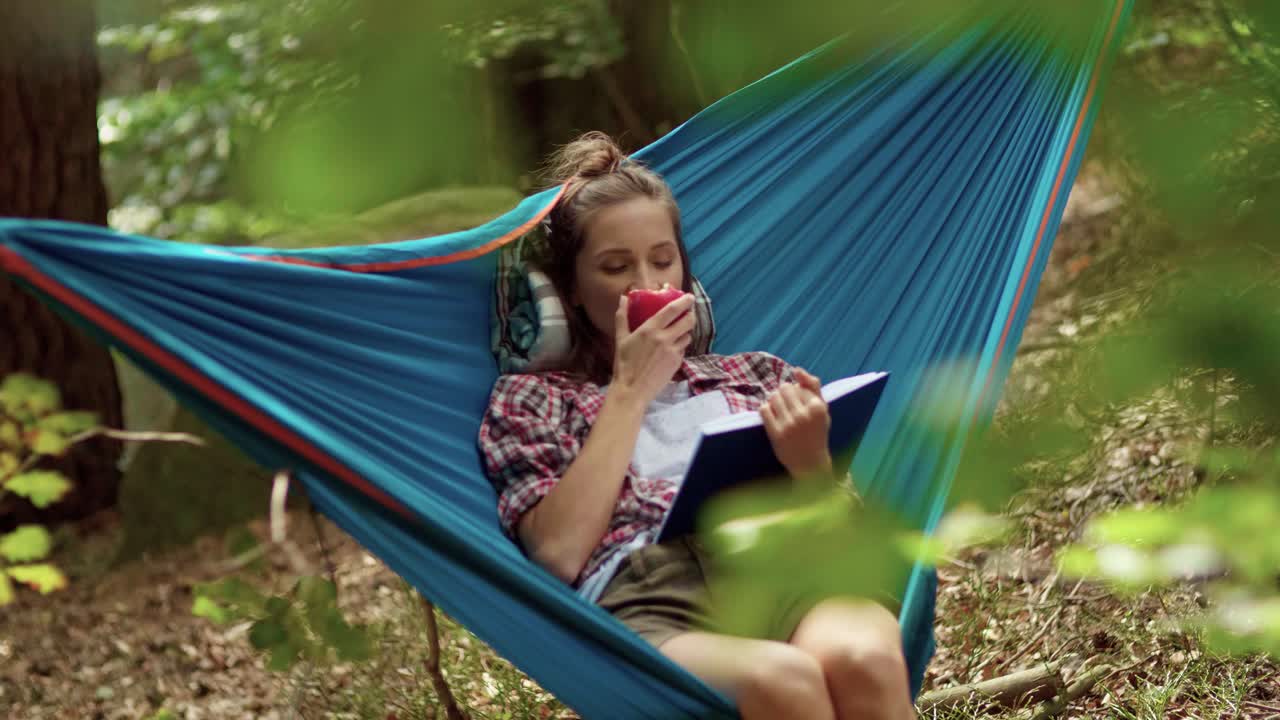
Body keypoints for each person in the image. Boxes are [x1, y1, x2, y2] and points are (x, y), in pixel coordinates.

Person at [479, 132, 915, 720]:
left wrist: (812, 466)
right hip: (654, 598)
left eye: (663, 260)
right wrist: (629, 390)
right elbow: (557, 554)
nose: (648, 283)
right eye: (615, 266)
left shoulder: (756, 375)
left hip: (784, 563)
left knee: (866, 660)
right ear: (573, 290)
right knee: (784, 682)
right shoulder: (531, 400)